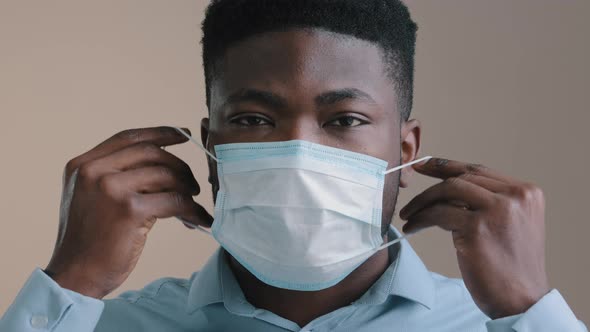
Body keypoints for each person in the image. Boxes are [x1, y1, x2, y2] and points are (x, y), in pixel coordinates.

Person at [1, 0, 586, 331]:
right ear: (210, 146)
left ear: (406, 150)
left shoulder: (499, 327)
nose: (300, 153)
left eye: (346, 120)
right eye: (255, 119)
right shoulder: (96, 326)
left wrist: (530, 312)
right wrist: (68, 282)